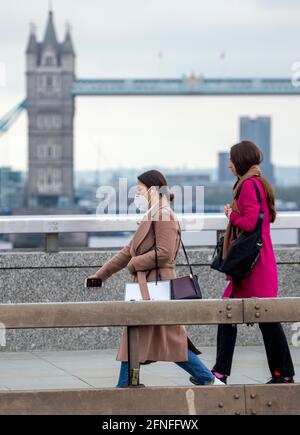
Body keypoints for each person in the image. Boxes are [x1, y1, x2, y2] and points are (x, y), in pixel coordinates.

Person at [88, 169, 223, 387]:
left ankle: (125, 389)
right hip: (149, 285)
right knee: (147, 337)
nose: (137, 195)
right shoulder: (154, 214)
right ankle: (205, 379)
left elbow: (165, 253)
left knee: (157, 337)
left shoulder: (163, 215)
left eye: (140, 190)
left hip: (157, 284)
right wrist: (101, 275)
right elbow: (128, 250)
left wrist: (134, 264)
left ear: (152, 190)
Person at [191, 141, 295, 386]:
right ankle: (228, 372)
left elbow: (249, 223)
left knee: (260, 318)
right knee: (250, 316)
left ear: (240, 160)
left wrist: (230, 214)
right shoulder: (259, 182)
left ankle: (227, 373)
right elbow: (264, 218)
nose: (228, 165)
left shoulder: (248, 185)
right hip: (260, 259)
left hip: (252, 266)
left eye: (230, 159)